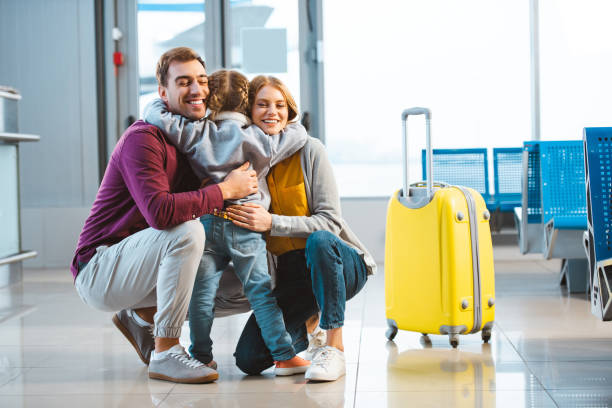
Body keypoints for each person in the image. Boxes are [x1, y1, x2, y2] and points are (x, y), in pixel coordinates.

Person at [71, 47, 257, 384]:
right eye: (183, 82)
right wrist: (225, 190)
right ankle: (167, 351)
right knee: (186, 232)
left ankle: (142, 316)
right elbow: (160, 213)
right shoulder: (143, 139)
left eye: (202, 80)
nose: (197, 89)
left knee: (253, 279)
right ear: (163, 93)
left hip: (146, 269)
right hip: (99, 269)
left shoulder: (196, 144)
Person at [143, 69, 311, 375]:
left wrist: (159, 101)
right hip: (246, 224)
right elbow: (299, 132)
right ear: (247, 105)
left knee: (202, 293)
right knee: (260, 289)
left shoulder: (196, 132)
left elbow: (155, 115)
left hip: (207, 221)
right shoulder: (260, 139)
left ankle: (202, 356)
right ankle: (284, 355)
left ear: (211, 102)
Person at [227, 75, 377, 382]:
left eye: (280, 105)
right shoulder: (245, 163)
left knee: (319, 241)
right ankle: (309, 328)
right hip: (292, 276)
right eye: (263, 104)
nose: (273, 112)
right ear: (249, 112)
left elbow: (331, 222)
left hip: (336, 260)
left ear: (290, 111)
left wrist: (272, 222)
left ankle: (334, 347)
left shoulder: (311, 149)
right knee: (249, 359)